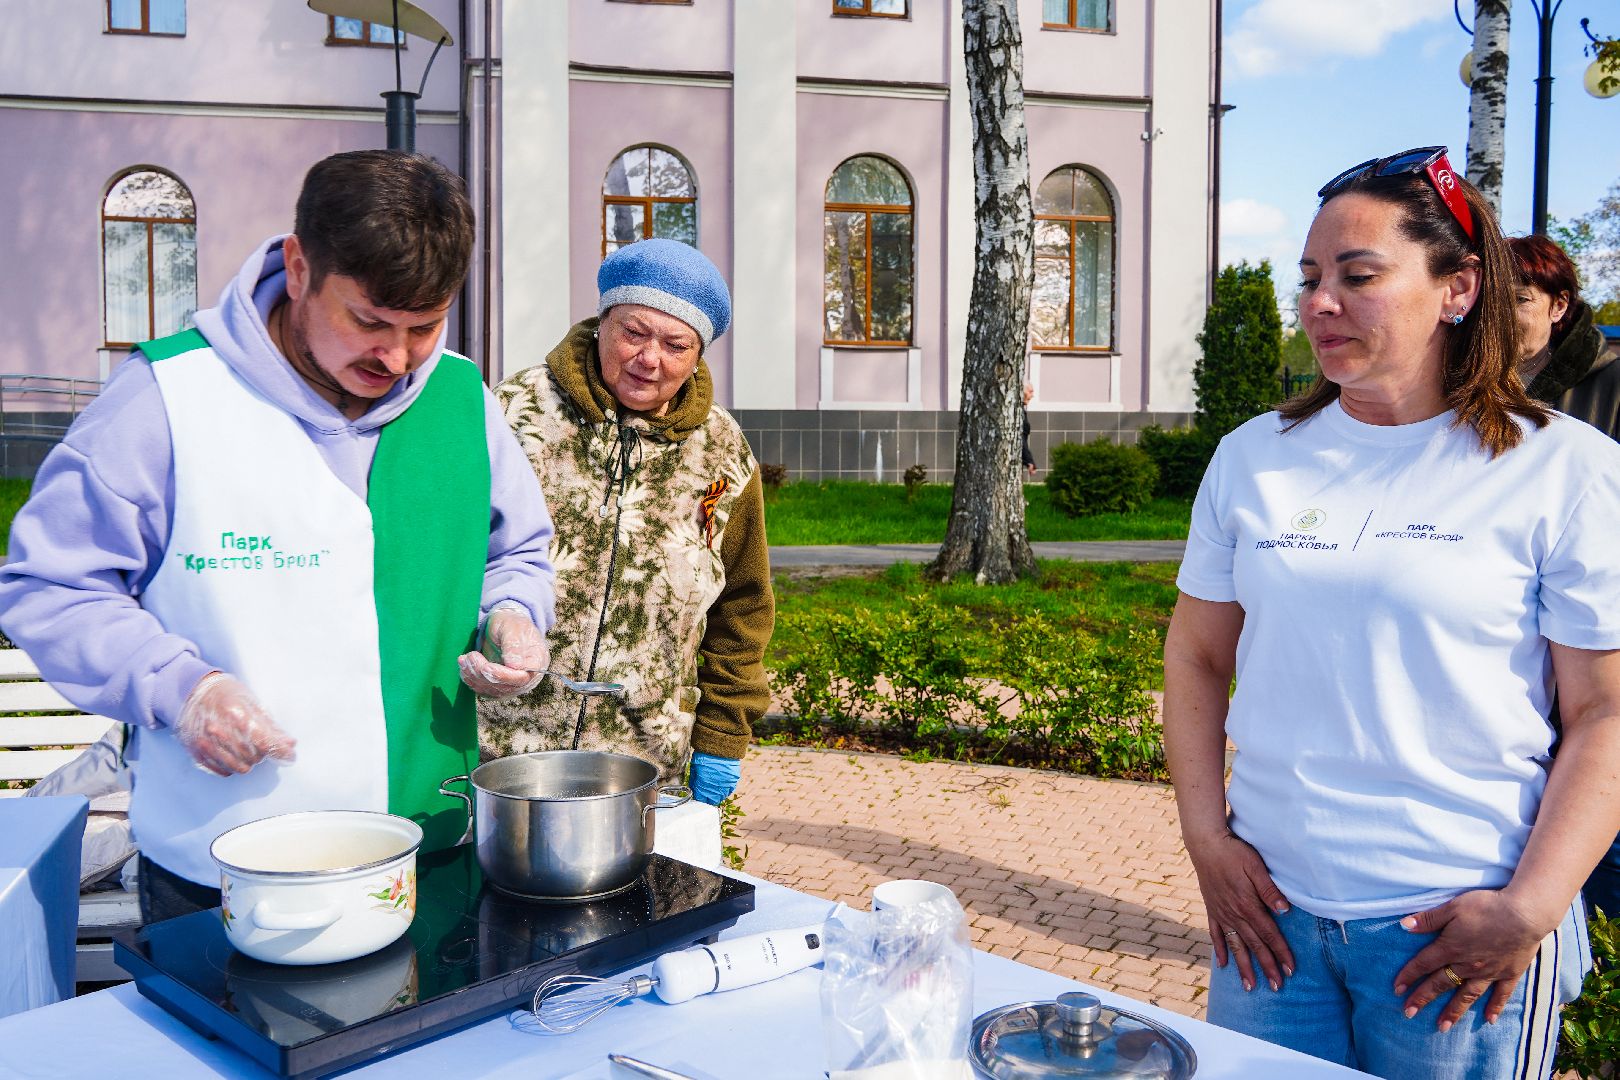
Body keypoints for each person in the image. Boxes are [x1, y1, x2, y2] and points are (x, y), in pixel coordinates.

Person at [0, 150, 556, 922]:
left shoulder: (464, 399)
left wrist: (515, 615)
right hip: (224, 869)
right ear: (298, 267)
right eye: (368, 321)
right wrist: (181, 689)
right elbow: (51, 585)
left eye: (423, 327)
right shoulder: (167, 399)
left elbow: (517, 553)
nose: (394, 358)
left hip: (431, 849)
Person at [1162, 146, 1620, 1080]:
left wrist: (1531, 908)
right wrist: (1207, 840)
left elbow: (1606, 712)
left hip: (1454, 938)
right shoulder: (1256, 457)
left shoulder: (1562, 468)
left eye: (1358, 276)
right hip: (1271, 931)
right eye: (1310, 278)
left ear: (1458, 289)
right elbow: (1199, 658)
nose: (1320, 301)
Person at [481, 239, 773, 807]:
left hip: (643, 765)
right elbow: (444, 563)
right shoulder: (512, 411)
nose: (650, 358)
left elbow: (743, 604)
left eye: (675, 344)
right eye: (634, 332)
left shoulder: (722, 451)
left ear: (698, 354)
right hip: (498, 750)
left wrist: (723, 735)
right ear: (602, 323)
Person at [1507, 235, 1620, 924]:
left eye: (1517, 299)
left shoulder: (1609, 387)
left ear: (1559, 305)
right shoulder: (1474, 386)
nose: (1500, 314)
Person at [1020, 382, 1037, 478]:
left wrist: (1029, 461)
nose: (1032, 395)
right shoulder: (1018, 412)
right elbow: (1020, 439)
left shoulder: (1021, 410)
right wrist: (1029, 461)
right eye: (1030, 391)